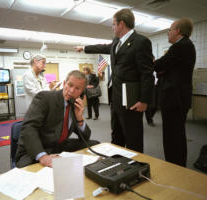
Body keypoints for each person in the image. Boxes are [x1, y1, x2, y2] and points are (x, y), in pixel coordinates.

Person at [75, 8, 154, 153]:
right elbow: (103, 47)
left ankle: (135, 170)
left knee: (133, 138)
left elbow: (147, 74)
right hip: (116, 98)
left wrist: (144, 100)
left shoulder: (141, 42)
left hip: (131, 100)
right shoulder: (117, 42)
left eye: (113, 24)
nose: (112, 27)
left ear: (121, 24)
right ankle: (117, 166)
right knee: (116, 136)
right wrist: (85, 48)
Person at [15, 70, 100, 168]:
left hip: (58, 146)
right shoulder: (44, 98)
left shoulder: (74, 105)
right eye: (70, 85)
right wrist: (42, 156)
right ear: (64, 83)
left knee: (95, 145)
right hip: (38, 148)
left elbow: (85, 138)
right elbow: (28, 128)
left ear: (82, 92)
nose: (72, 91)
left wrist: (79, 118)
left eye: (77, 88)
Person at [154, 18, 196, 167]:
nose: (168, 33)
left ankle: (175, 166)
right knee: (176, 135)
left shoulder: (180, 46)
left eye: (170, 30)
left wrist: (152, 62)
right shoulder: (186, 46)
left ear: (178, 31)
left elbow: (159, 65)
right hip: (177, 99)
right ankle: (176, 165)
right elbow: (166, 68)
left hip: (174, 100)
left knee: (173, 136)